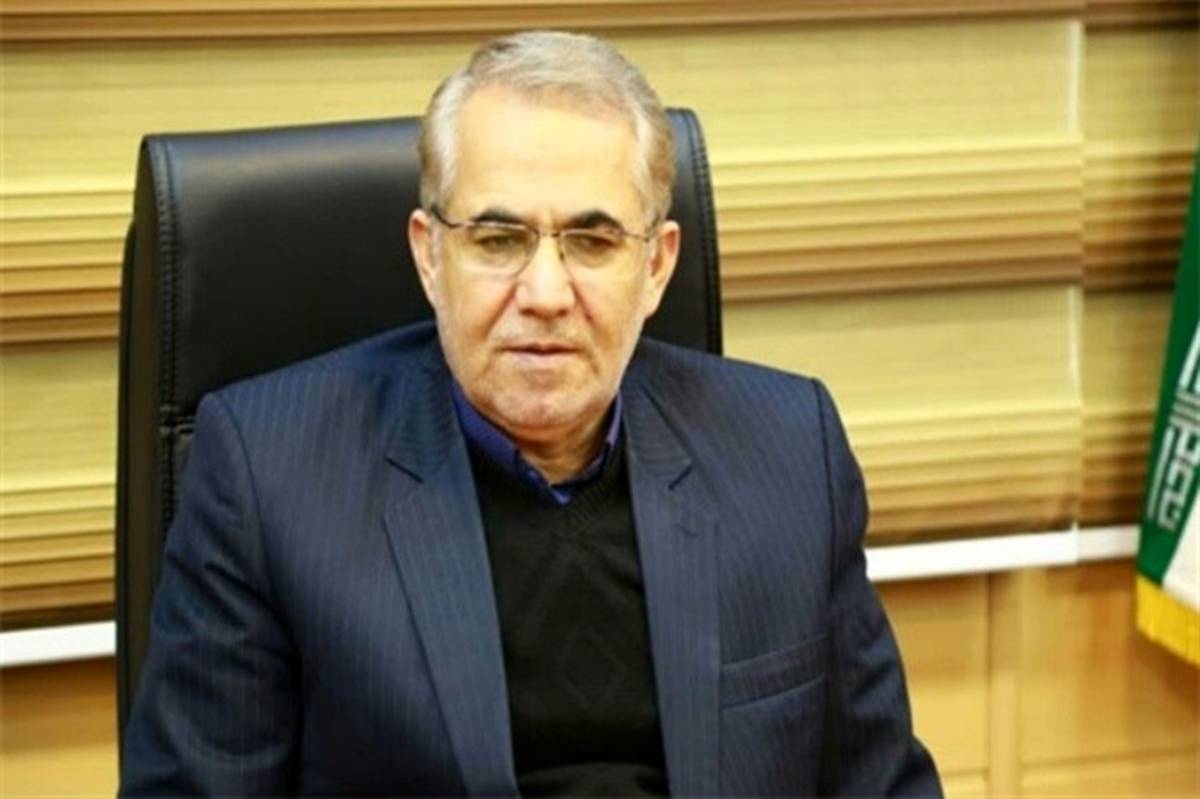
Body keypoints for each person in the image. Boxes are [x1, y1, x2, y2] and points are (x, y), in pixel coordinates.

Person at [120, 30, 941, 797]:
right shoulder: (269, 478)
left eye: (593, 241)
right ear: (430, 255)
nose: (545, 294)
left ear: (657, 267)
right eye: (498, 239)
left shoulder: (789, 450)